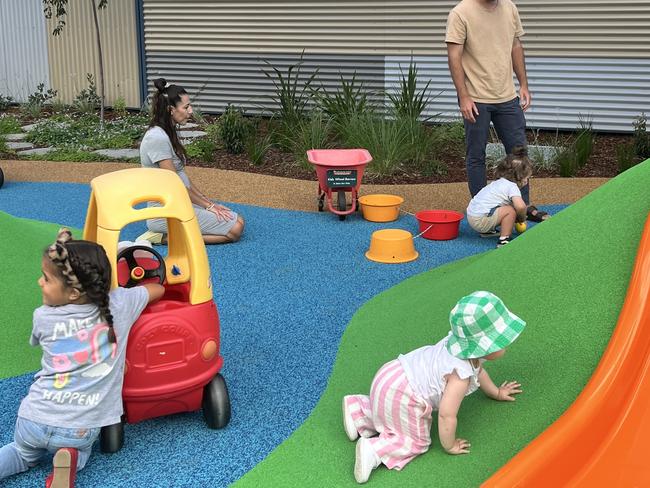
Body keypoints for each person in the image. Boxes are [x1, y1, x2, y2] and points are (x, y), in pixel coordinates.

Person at [0, 229, 164, 487]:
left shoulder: (42, 316)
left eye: (45, 278)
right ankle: (70, 458)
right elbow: (156, 288)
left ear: (74, 293)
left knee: (20, 454)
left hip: (34, 419)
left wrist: (61, 246)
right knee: (81, 448)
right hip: (79, 429)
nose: (39, 282)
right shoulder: (119, 305)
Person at [343, 291, 525, 484]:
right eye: (501, 341)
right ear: (483, 347)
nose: (506, 344)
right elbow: (447, 414)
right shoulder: (459, 377)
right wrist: (450, 445)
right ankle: (375, 450)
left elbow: (479, 372)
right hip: (403, 394)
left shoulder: (458, 347)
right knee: (417, 442)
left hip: (390, 375)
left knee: (391, 411)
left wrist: (496, 392)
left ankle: (358, 412)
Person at [446, 0, 548, 223]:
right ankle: (482, 210)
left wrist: (523, 84)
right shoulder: (461, 13)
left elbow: (515, 46)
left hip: (507, 97)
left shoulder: (509, 7)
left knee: (519, 154)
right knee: (476, 155)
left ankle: (524, 205)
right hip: (475, 98)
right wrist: (463, 95)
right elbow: (454, 56)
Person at [138, 78, 245, 245]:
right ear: (170, 110)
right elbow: (175, 184)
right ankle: (162, 238)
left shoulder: (167, 132)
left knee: (238, 220)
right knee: (234, 230)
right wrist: (208, 207)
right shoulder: (156, 138)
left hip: (179, 201)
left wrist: (209, 203)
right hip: (163, 212)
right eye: (186, 107)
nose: (190, 111)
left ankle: (173, 232)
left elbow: (182, 177)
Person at [466, 145, 531, 248]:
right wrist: (521, 218)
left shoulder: (498, 182)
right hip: (480, 220)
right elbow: (521, 207)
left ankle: (488, 231)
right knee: (510, 211)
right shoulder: (512, 187)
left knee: (504, 207)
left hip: (471, 215)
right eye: (527, 178)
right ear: (520, 177)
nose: (527, 181)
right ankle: (504, 239)